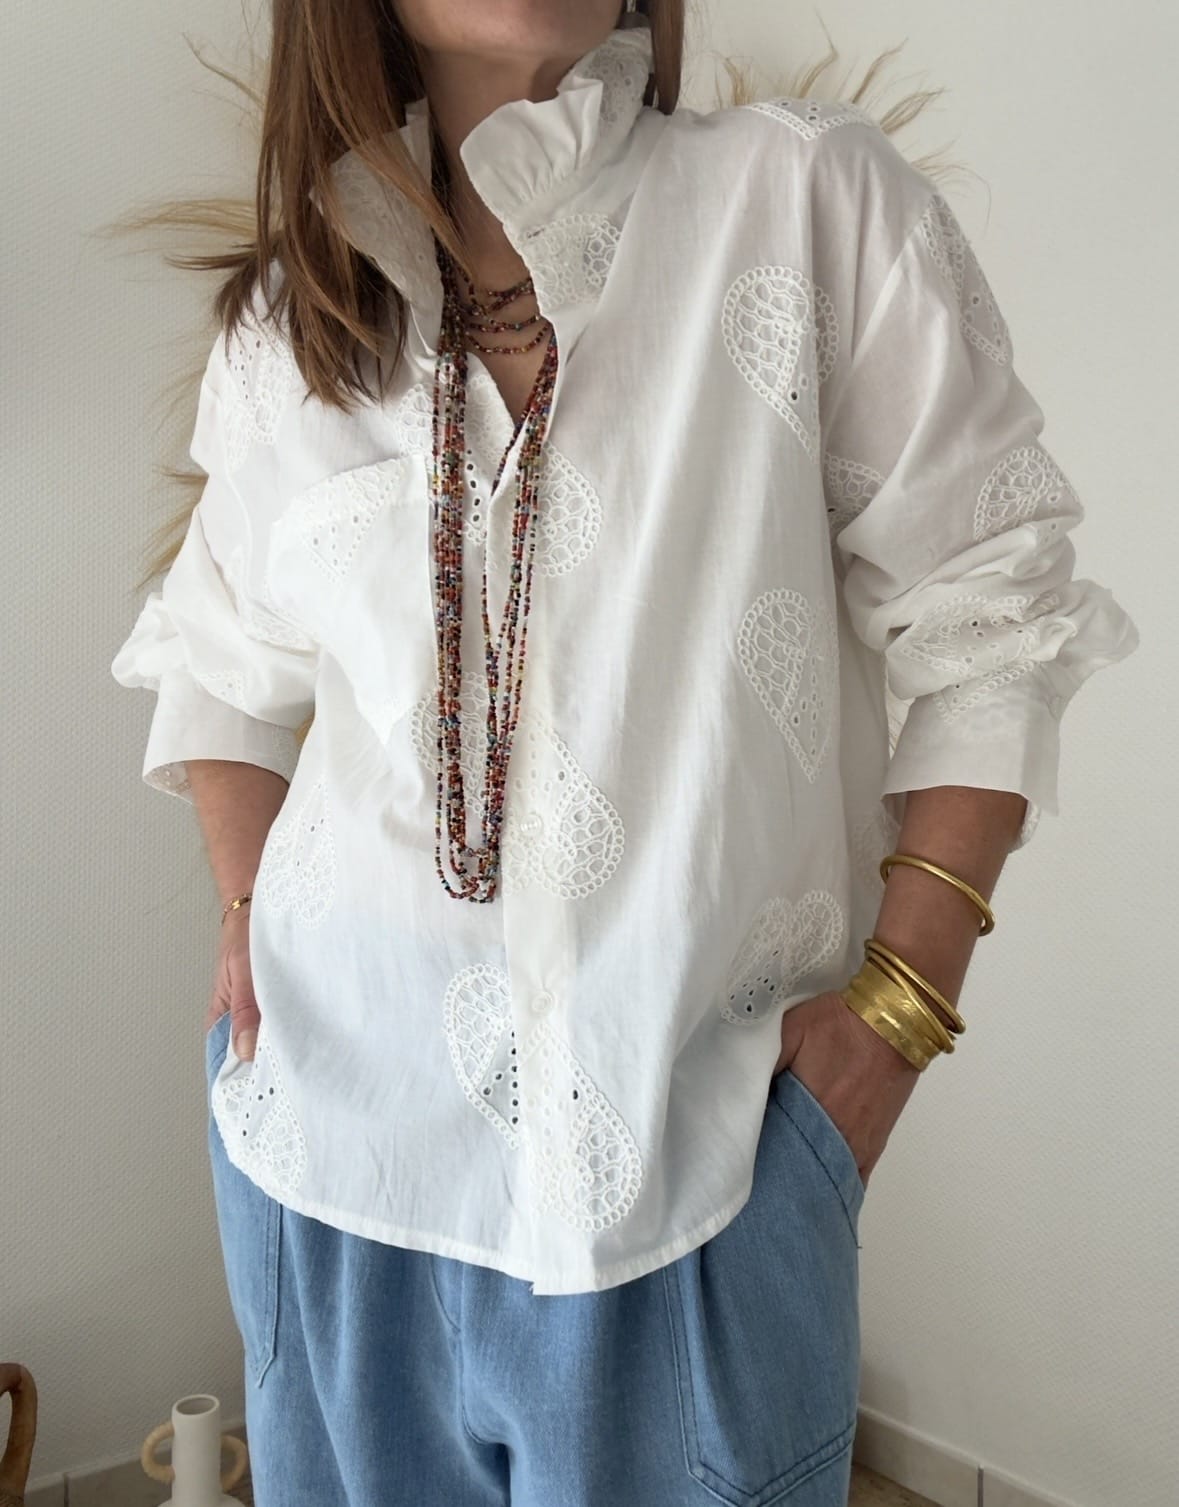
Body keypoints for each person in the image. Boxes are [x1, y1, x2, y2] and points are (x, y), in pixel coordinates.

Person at [109, 1, 1139, 1503]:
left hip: (700, 1185)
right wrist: (241, 907)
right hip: (328, 1170)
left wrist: (899, 1016)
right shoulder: (295, 319)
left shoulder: (803, 203)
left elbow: (997, 615)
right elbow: (221, 668)